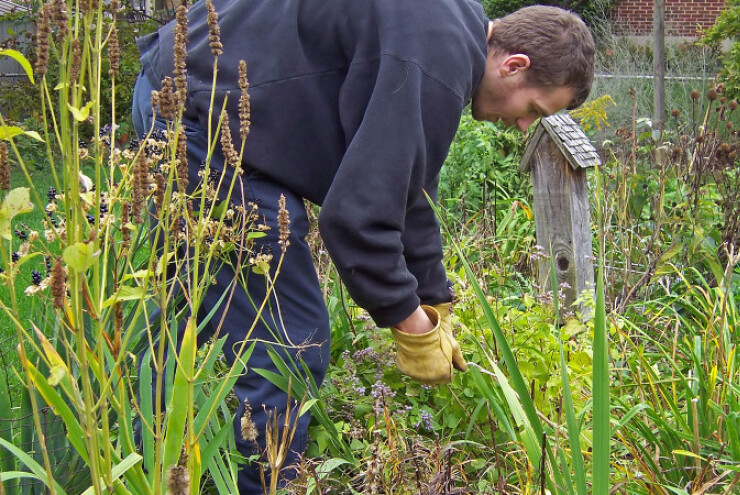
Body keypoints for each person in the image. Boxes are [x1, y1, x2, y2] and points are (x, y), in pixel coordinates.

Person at [132, 0, 594, 490]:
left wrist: (434, 297)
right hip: (198, 116)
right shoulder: (435, 61)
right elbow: (356, 222)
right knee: (292, 341)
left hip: (189, 90)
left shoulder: (448, 27)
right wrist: (411, 324)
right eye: (534, 110)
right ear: (514, 64)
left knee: (185, 318)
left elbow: (407, 190)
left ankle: (152, 473)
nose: (523, 125)